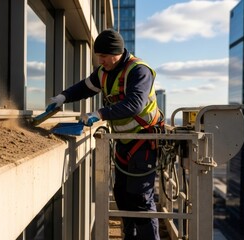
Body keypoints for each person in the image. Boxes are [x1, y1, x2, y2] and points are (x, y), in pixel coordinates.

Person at [47, 29, 161, 240]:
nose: (101, 61)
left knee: (141, 198)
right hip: (124, 142)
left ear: (116, 53)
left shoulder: (139, 71)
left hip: (144, 140)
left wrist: (99, 113)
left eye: (104, 56)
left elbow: (135, 104)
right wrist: (63, 96)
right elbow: (85, 87)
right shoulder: (104, 72)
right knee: (122, 193)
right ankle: (131, 236)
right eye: (99, 57)